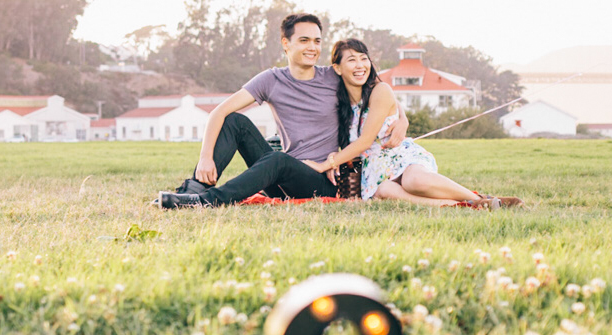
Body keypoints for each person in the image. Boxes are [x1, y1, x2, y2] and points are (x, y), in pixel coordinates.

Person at [158, 12, 407, 208]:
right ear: (286, 44)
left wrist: (402, 119)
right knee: (236, 122)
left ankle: (207, 202)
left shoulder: (333, 75)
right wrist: (205, 157)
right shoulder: (271, 80)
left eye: (317, 41)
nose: (312, 47)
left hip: (319, 180)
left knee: (277, 159)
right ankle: (193, 192)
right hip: (282, 176)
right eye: (304, 40)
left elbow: (377, 89)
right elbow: (219, 112)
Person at [329, 38, 513, 206]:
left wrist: (403, 119)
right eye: (352, 60)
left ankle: (480, 200)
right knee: (385, 190)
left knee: (414, 181)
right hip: (375, 170)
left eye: (363, 58)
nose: (360, 65)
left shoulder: (377, 89)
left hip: (401, 155)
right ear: (337, 68)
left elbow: (379, 118)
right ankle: (461, 206)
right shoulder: (335, 98)